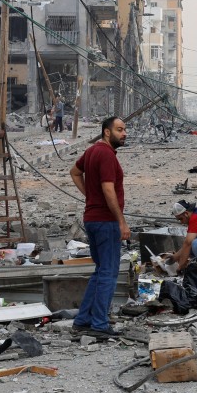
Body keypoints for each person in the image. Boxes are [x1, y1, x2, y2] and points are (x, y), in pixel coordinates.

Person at [69, 116, 130, 339]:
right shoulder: (105, 155)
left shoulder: (92, 151)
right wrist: (121, 221)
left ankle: (83, 320)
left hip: (92, 219)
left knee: (100, 271)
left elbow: (74, 172)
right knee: (108, 273)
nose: (124, 134)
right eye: (119, 130)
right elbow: (108, 189)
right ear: (107, 132)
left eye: (124, 130)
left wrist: (89, 196)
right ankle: (100, 324)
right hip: (106, 221)